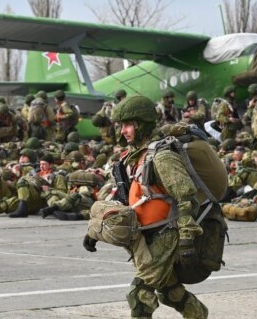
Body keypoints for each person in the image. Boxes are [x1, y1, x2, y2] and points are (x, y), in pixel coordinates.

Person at [82, 95, 208, 318]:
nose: (123, 131)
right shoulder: (134, 156)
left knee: (140, 295)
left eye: (128, 125)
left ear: (142, 124)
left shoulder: (162, 156)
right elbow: (126, 198)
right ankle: (199, 315)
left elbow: (186, 195)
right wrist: (95, 230)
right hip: (144, 235)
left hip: (165, 233)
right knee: (170, 291)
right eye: (122, 125)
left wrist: (187, 234)